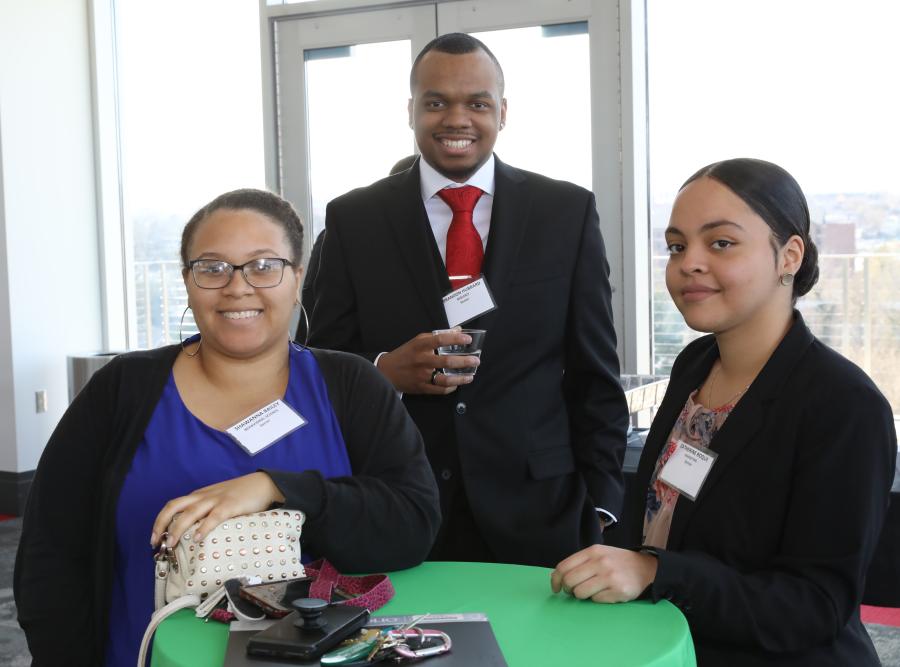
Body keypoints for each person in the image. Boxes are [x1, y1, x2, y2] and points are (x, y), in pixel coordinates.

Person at [14, 189, 441, 666]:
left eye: (264, 265)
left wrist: (278, 488)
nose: (238, 287)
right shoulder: (123, 389)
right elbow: (50, 553)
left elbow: (412, 524)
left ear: (297, 278)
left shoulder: (350, 385)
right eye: (212, 268)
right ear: (187, 281)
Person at [550, 158, 897, 666]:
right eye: (676, 245)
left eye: (721, 243)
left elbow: (813, 605)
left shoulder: (844, 405)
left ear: (789, 256)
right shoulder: (695, 364)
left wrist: (654, 573)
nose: (689, 262)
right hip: (667, 646)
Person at [308, 33, 628, 567]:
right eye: (436, 102)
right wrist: (383, 369)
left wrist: (602, 508)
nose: (457, 119)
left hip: (544, 518)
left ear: (502, 113)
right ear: (411, 110)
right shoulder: (353, 219)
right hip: (397, 508)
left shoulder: (565, 213)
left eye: (477, 103)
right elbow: (317, 364)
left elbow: (595, 373)